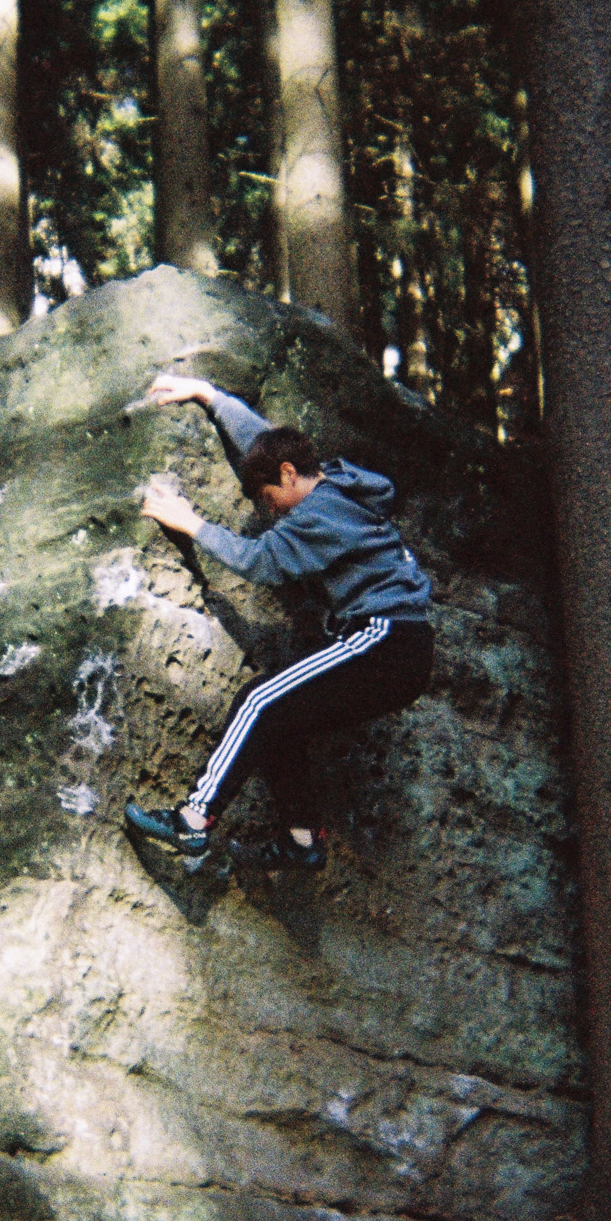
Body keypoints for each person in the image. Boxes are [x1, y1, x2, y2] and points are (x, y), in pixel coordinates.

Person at [125, 373, 433, 871]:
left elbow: (259, 561)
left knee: (258, 699)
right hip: (403, 649)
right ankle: (301, 841)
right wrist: (210, 395)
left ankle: (192, 820)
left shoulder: (319, 515)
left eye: (269, 498)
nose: (269, 511)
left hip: (384, 640)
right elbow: (263, 443)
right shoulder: (337, 482)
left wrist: (191, 523)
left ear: (289, 475)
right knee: (280, 722)